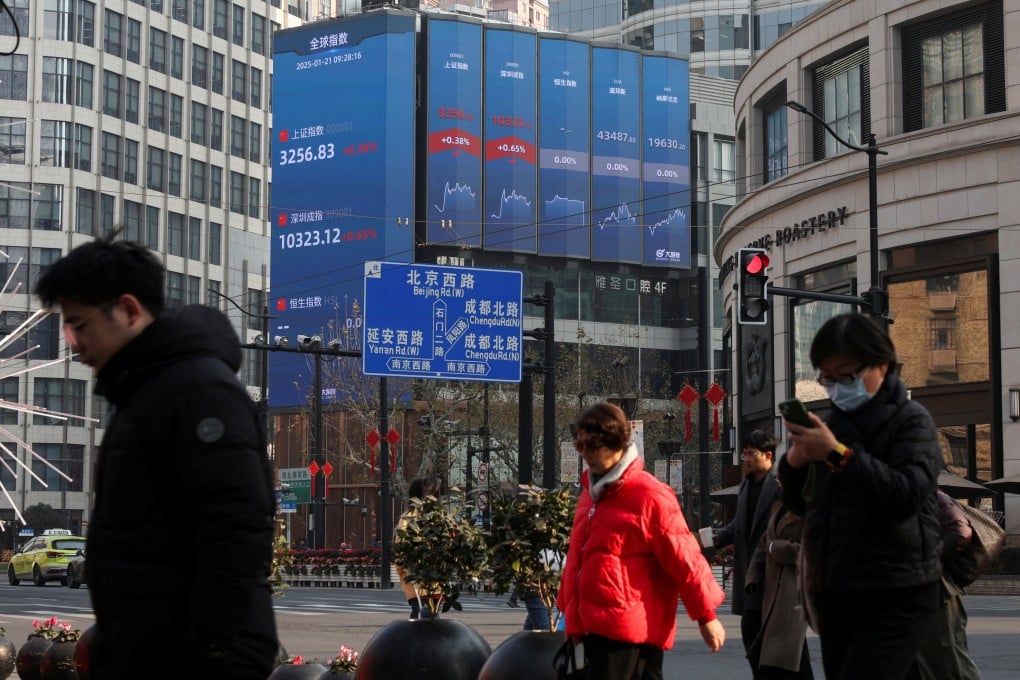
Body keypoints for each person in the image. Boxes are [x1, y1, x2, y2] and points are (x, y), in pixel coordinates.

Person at [35, 236, 278, 679]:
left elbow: (237, 527)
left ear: (128, 310)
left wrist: (207, 645)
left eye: (78, 325)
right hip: (155, 646)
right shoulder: (148, 390)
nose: (72, 343)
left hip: (193, 658)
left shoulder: (198, 391)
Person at [779, 312, 942, 680]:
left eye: (846, 374)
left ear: (880, 365)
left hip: (899, 591)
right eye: (827, 378)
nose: (837, 386)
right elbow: (803, 506)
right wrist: (797, 462)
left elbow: (906, 494)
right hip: (839, 592)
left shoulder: (911, 420)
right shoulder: (832, 425)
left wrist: (838, 454)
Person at [558, 402, 725, 680]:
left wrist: (706, 617)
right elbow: (578, 561)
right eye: (580, 446)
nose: (584, 453)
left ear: (617, 443)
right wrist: (573, 623)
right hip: (599, 628)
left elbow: (685, 558)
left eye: (591, 445)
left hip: (628, 627)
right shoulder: (591, 493)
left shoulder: (650, 495)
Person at [713, 429, 781, 670]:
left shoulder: (778, 487)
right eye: (744, 454)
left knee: (775, 642)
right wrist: (718, 537)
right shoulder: (746, 486)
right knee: (755, 635)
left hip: (771, 574)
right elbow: (739, 523)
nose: (746, 459)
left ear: (768, 455)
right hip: (749, 574)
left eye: (751, 453)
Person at [908, 491, 981, 680]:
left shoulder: (932, 496)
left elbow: (961, 533)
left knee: (949, 659)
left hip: (938, 593)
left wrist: (923, 561)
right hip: (908, 592)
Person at [744, 491, 814, 680]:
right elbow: (764, 542)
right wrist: (752, 577)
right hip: (773, 592)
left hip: (793, 592)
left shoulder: (810, 509)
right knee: (790, 660)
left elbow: (810, 550)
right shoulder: (780, 507)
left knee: (783, 658)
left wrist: (777, 548)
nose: (781, 483)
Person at [394, 476, 441, 619]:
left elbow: (401, 549)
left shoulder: (412, 517)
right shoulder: (434, 517)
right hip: (428, 579)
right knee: (427, 616)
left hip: (424, 580)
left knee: (423, 617)